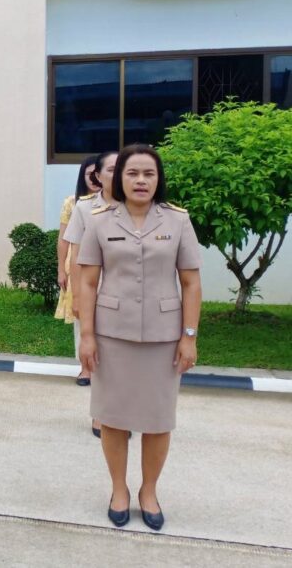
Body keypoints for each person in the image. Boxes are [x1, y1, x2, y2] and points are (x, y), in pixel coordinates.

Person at [77, 144, 202, 531]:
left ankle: (149, 491)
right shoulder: (98, 220)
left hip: (164, 339)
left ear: (158, 179)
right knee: (113, 417)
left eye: (149, 173)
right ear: (117, 178)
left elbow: (191, 282)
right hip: (111, 335)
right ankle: (119, 489)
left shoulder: (178, 220)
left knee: (158, 419)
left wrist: (189, 336)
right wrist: (87, 336)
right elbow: (87, 281)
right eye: (132, 173)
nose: (141, 180)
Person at [64, 150, 118, 437]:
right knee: (98, 354)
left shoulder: (140, 206)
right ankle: (100, 415)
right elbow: (75, 256)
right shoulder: (84, 208)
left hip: (126, 294)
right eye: (111, 169)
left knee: (123, 358)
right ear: (98, 175)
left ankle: (121, 413)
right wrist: (77, 296)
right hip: (94, 289)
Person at [55, 155, 100, 380]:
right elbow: (63, 239)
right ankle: (85, 368)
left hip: (105, 267)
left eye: (97, 173)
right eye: (89, 174)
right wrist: (61, 270)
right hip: (78, 266)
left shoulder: (117, 203)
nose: (94, 178)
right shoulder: (73, 203)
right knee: (82, 315)